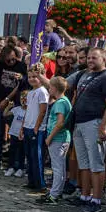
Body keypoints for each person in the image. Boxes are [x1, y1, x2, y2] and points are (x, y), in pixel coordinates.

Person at [69, 48, 106, 212]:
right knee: (84, 163)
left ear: (103, 58)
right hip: (80, 123)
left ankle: (96, 199)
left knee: (96, 163)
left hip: (94, 123)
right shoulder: (85, 74)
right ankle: (84, 196)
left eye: (94, 57)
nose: (90, 60)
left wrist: (104, 126)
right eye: (89, 57)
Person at [0, 46, 27, 169]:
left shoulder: (21, 66)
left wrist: (7, 99)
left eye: (13, 59)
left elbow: (23, 83)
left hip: (14, 104)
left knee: (15, 135)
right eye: (9, 60)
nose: (11, 62)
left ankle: (14, 164)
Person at [38, 76, 72, 205]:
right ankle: (56, 191)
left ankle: (54, 195)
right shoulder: (63, 100)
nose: (49, 89)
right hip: (61, 138)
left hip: (58, 138)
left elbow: (60, 123)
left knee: (57, 168)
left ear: (55, 89)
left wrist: (49, 138)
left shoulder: (60, 103)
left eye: (50, 87)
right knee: (60, 167)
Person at [22, 72, 49, 191]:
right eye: (30, 77)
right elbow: (27, 111)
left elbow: (42, 111)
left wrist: (37, 126)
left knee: (37, 156)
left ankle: (40, 184)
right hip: (28, 126)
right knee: (29, 155)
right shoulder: (30, 92)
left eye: (35, 77)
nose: (32, 79)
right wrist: (22, 127)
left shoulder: (42, 91)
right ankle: (31, 181)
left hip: (37, 128)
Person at [4, 93, 26, 178]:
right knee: (12, 150)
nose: (23, 101)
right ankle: (11, 167)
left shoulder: (29, 111)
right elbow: (5, 114)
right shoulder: (16, 109)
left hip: (22, 135)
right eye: (22, 99)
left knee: (21, 152)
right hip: (13, 133)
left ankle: (20, 168)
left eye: (25, 99)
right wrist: (9, 107)